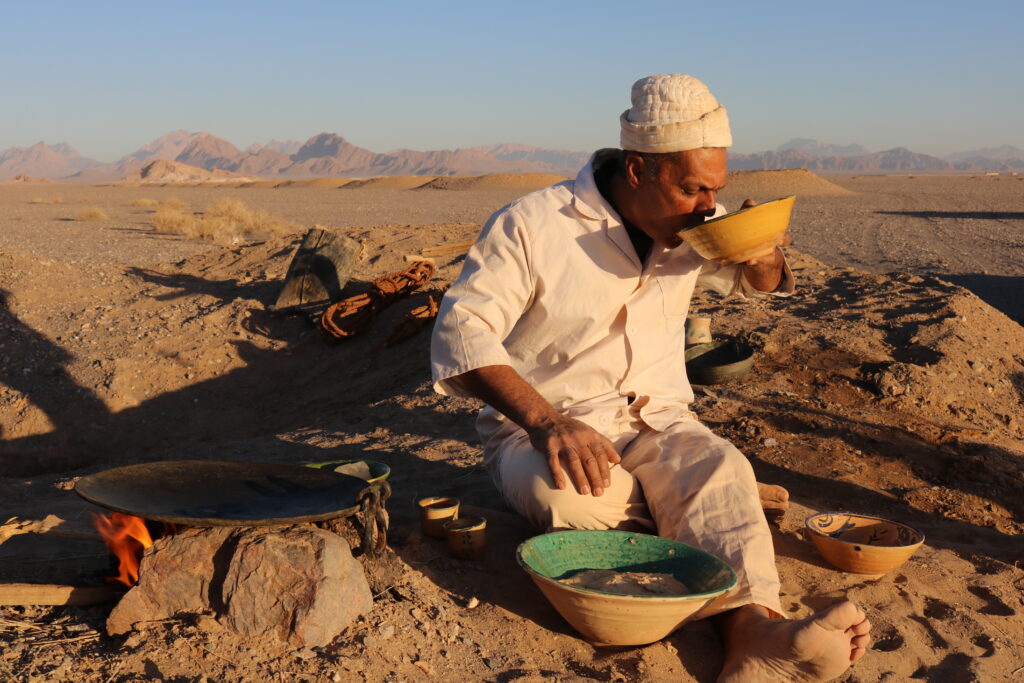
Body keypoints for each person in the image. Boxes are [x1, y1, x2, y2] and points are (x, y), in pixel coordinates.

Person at [430, 74, 871, 681]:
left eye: (714, 189)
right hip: (547, 430)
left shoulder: (696, 224)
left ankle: (752, 635)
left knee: (721, 467)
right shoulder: (532, 226)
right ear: (637, 170)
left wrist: (765, 258)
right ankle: (722, 518)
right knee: (571, 502)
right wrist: (545, 420)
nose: (705, 205)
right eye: (691, 187)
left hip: (660, 420)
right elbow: (460, 331)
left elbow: (753, 284)